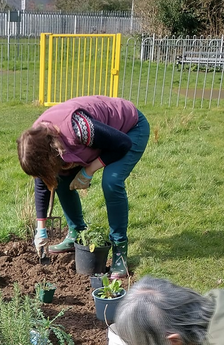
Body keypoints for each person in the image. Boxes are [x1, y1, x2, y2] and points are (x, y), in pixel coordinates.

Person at [17, 95, 149, 278]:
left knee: (111, 182)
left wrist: (88, 172)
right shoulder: (36, 140)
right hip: (99, 138)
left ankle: (119, 250)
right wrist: (41, 229)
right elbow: (43, 182)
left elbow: (122, 144)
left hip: (130, 129)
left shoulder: (80, 129)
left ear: (50, 153)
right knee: (59, 179)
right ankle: (77, 233)